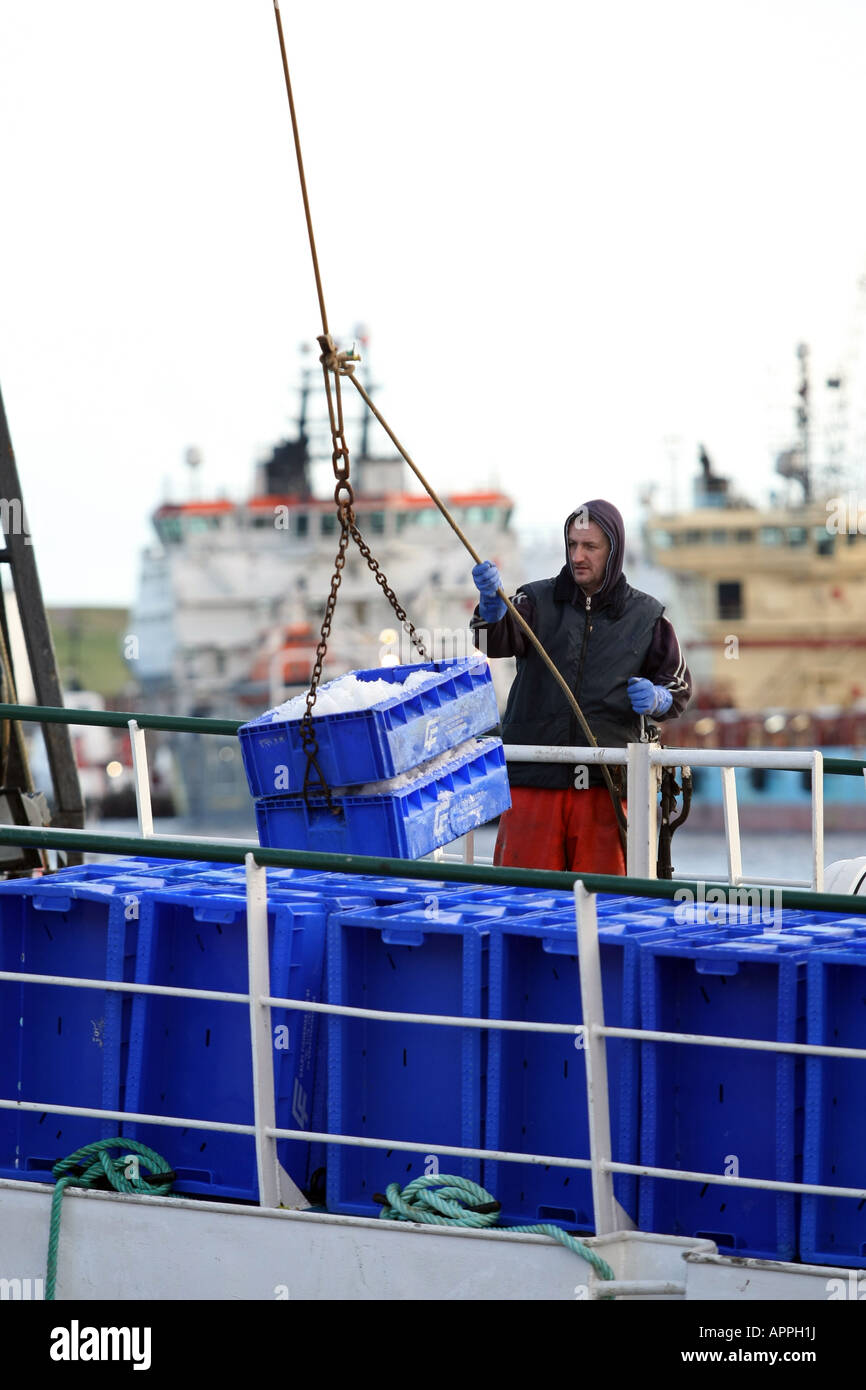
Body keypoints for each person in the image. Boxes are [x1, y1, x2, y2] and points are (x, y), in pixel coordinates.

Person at [470, 498, 692, 873]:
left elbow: (679, 687)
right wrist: (491, 609)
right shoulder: (534, 600)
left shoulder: (647, 616)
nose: (578, 556)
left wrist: (658, 698)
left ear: (614, 550)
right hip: (533, 781)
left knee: (606, 903)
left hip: (605, 788)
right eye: (573, 545)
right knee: (523, 897)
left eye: (590, 546)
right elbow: (492, 643)